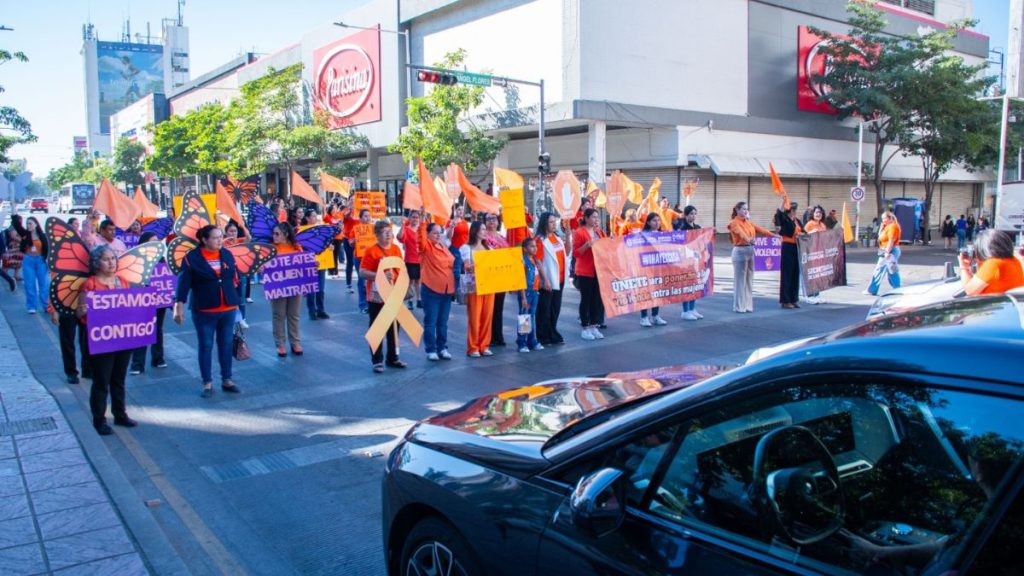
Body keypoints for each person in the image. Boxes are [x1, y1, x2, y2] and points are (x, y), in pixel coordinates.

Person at [173, 224, 243, 398]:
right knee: (206, 345)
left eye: (221, 236)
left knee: (226, 344)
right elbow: (183, 283)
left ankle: (227, 379)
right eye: (215, 237)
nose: (220, 240)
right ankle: (207, 382)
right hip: (204, 309)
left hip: (228, 307)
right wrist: (178, 305)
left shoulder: (227, 254)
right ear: (204, 239)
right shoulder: (192, 258)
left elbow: (235, 276)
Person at [76, 246, 137, 435]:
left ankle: (120, 414)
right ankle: (99, 419)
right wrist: (84, 311)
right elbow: (79, 314)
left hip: (122, 337)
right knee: (102, 381)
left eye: (113, 258)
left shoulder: (123, 281)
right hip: (101, 340)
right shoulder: (89, 284)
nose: (111, 262)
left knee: (118, 379)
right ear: (96, 263)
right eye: (106, 259)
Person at [360, 220, 408, 373]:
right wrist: (379, 275)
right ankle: (377, 360)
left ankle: (393, 357)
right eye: (385, 232)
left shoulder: (396, 249)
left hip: (394, 293)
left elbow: (400, 268)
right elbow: (362, 272)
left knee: (394, 327)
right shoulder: (371, 251)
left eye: (390, 232)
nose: (389, 235)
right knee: (378, 327)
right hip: (377, 295)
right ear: (377, 235)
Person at [129, 231, 168, 375]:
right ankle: (137, 364)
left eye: (157, 241)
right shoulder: (136, 259)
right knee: (141, 329)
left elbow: (167, 280)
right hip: (141, 299)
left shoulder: (162, 260)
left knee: (157, 328)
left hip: (159, 300)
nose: (156, 244)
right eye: (152, 241)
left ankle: (158, 358)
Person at [418, 214, 456, 361]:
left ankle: (442, 348)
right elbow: (420, 238)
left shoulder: (443, 246)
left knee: (443, 322)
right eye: (435, 233)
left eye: (440, 233)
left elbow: (451, 263)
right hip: (431, 290)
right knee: (431, 321)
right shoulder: (426, 247)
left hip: (446, 290)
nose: (438, 235)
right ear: (428, 235)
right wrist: (422, 220)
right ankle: (431, 349)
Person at [727, 201, 776, 313]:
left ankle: (748, 305)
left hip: (751, 250)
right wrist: (748, 239)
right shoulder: (734, 223)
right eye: (743, 209)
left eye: (747, 209)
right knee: (740, 280)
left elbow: (761, 230)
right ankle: (739, 306)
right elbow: (740, 233)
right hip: (740, 250)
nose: (745, 211)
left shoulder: (749, 222)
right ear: (737, 210)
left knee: (749, 279)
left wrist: (774, 236)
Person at [270, 222, 304, 357]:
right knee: (279, 315)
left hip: (295, 285)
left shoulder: (296, 247)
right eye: (273, 233)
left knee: (294, 314)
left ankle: (295, 342)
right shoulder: (271, 248)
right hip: (278, 285)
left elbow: (303, 263)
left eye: (277, 233)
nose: (274, 236)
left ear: (286, 234)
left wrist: (312, 265)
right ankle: (280, 344)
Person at [460, 221, 494, 357]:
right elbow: (467, 266)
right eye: (482, 229)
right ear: (475, 231)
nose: (485, 232)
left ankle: (484, 345)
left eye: (486, 229)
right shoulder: (466, 248)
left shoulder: (489, 249)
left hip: (489, 285)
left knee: (487, 316)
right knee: (474, 317)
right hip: (474, 286)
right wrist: (473, 267)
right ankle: (473, 347)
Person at [573, 208, 607, 340]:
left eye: (597, 217)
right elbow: (576, 253)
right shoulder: (579, 232)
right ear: (586, 218)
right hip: (585, 271)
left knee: (596, 300)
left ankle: (594, 325)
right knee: (586, 299)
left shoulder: (598, 231)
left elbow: (605, 245)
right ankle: (585, 327)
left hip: (598, 270)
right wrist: (587, 245)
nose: (595, 220)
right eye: (593, 217)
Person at [957, 229, 1024, 296]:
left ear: (983, 249)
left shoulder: (993, 264)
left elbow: (969, 291)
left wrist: (964, 267)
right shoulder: (1015, 261)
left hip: (993, 305)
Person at [535, 212, 566, 345]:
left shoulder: (557, 237)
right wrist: (544, 279)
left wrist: (569, 235)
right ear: (544, 223)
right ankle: (542, 335)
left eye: (555, 222)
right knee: (544, 309)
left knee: (555, 308)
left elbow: (567, 253)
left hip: (560, 278)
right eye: (551, 222)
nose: (554, 224)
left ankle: (552, 332)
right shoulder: (539, 239)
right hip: (549, 278)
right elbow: (538, 261)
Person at [482, 213, 510, 346]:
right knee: (489, 309)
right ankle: (489, 337)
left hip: (502, 277)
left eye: (493, 219)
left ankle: (498, 336)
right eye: (488, 219)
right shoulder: (483, 238)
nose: (491, 221)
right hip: (489, 277)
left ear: (498, 222)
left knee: (498, 308)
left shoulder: (503, 238)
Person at [635, 213, 668, 326]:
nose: (657, 222)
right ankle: (644, 317)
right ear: (648, 222)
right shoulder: (643, 235)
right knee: (645, 292)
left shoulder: (662, 234)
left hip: (658, 268)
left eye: (658, 220)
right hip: (646, 267)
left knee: (657, 291)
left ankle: (655, 315)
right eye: (654, 220)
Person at [517, 238, 547, 353]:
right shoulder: (523, 261)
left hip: (535, 292)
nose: (535, 248)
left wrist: (544, 281)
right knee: (525, 317)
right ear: (525, 249)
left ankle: (532, 341)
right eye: (532, 246)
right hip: (527, 293)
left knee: (532, 317)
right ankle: (522, 342)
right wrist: (523, 297)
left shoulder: (535, 260)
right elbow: (521, 280)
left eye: (535, 246)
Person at [865, 211, 902, 296]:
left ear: (889, 218)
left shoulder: (893, 227)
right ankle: (897, 288)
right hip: (886, 250)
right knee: (892, 270)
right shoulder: (887, 226)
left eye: (884, 219)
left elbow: (891, 241)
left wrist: (886, 252)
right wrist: (881, 228)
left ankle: (872, 290)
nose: (883, 220)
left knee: (880, 270)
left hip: (890, 250)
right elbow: (880, 238)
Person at [776, 201, 803, 309]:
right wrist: (783, 202)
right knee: (787, 274)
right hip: (787, 246)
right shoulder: (785, 220)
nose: (795, 212)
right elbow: (778, 215)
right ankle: (785, 300)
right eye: (793, 210)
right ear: (790, 211)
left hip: (797, 247)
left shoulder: (798, 221)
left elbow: (803, 231)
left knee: (795, 273)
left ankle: (794, 298)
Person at [19, 216, 49, 314]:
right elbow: (16, 224)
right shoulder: (25, 235)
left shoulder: (42, 235)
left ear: (36, 224)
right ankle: (31, 306)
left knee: (43, 284)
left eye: (30, 223)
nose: (28, 226)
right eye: (27, 224)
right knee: (29, 284)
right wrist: (14, 209)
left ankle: (46, 305)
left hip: (40, 260)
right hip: (28, 260)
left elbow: (48, 249)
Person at [678, 206, 703, 320]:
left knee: (695, 285)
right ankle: (685, 310)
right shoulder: (682, 228)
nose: (693, 216)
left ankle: (692, 308)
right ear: (686, 215)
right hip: (686, 261)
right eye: (691, 214)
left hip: (696, 260)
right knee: (687, 285)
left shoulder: (697, 227)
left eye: (695, 213)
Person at [398, 211, 423, 310]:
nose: (415, 219)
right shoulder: (407, 230)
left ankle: (419, 299)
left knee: (418, 281)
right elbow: (400, 237)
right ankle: (410, 300)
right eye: (413, 217)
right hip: (410, 259)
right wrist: (402, 225)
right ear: (409, 218)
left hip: (420, 260)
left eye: (417, 217)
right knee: (410, 281)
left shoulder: (421, 230)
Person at [352, 209, 374, 313]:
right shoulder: (355, 229)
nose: (368, 218)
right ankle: (363, 305)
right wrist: (354, 241)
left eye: (369, 216)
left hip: (371, 258)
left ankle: (371, 302)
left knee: (371, 280)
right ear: (360, 218)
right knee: (362, 281)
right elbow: (350, 242)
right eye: (365, 216)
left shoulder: (373, 228)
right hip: (359, 258)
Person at [447, 204, 469, 302]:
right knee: (456, 272)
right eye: (459, 209)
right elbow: (448, 236)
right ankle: (454, 293)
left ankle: (461, 293)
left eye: (462, 210)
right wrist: (452, 226)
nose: (461, 211)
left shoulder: (464, 222)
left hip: (465, 249)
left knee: (463, 271)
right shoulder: (450, 222)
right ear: (454, 210)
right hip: (455, 248)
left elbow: (467, 236)